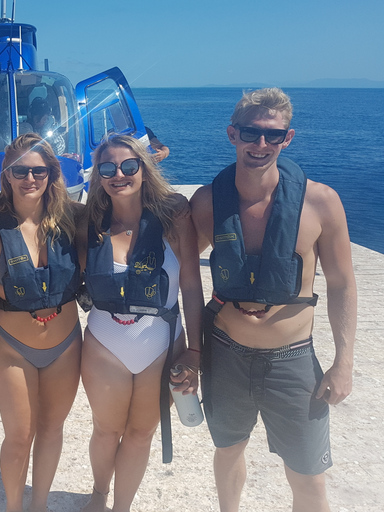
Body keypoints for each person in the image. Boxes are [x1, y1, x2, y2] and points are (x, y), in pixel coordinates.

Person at [190, 88, 357, 512]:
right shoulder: (208, 203)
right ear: (232, 134)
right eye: (250, 133)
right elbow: (178, 267)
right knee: (228, 449)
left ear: (288, 139)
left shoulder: (321, 203)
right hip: (226, 354)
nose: (260, 144)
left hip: (293, 359)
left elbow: (341, 284)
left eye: (273, 135)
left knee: (307, 473)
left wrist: (343, 362)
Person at [77, 135, 203, 512]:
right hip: (104, 344)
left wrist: (195, 350)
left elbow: (193, 285)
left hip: (161, 345)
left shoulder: (174, 215)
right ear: (97, 176)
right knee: (106, 429)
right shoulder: (88, 223)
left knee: (140, 432)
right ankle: (99, 494)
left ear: (145, 170)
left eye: (129, 166)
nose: (119, 174)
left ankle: (122, 507)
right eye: (107, 168)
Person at [0, 133, 82, 512]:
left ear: (52, 174)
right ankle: (14, 507)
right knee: (19, 435)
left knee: (51, 430)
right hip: (13, 347)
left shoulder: (72, 221)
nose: (29, 179)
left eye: (39, 170)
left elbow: (123, 214)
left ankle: (40, 505)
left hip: (65, 345)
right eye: (20, 170)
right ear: (7, 174)